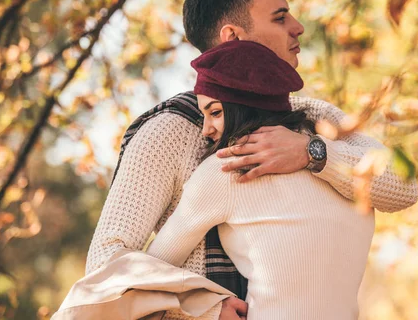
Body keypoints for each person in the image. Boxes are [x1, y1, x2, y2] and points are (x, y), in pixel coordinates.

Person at [86, 0, 418, 320]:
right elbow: (105, 266)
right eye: (279, 18)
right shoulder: (171, 130)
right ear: (233, 38)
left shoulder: (313, 117)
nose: (298, 26)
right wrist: (202, 306)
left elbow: (404, 188)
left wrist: (312, 154)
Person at [146, 39, 375, 319]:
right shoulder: (351, 169)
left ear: (245, 106)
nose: (206, 130)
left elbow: (148, 275)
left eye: (215, 112)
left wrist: (207, 309)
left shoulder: (228, 169)